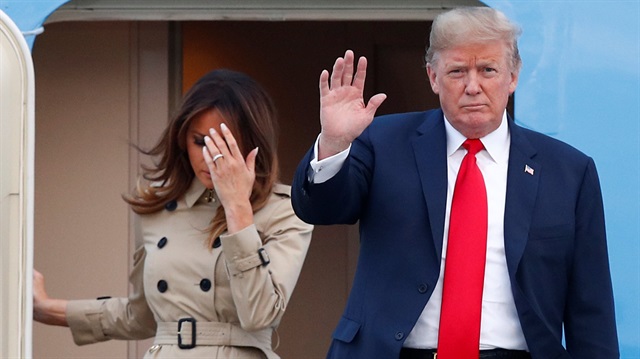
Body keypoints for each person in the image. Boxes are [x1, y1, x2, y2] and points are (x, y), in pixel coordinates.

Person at [291, 6, 618, 359]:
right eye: (457, 71)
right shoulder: (384, 143)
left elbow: (591, 307)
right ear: (434, 77)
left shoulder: (568, 171)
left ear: (513, 77)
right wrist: (335, 143)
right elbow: (321, 208)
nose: (472, 86)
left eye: (488, 70)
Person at [33, 69, 313, 358]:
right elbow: (141, 316)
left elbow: (260, 315)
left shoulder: (285, 210)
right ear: (182, 139)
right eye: (200, 141)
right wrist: (48, 309)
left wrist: (237, 207)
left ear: (252, 143)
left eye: (223, 144)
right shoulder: (157, 207)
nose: (209, 157)